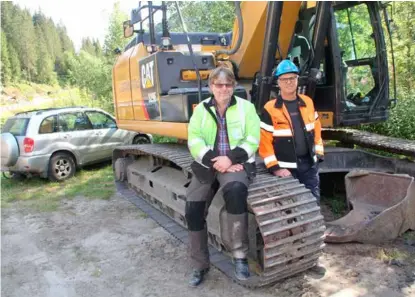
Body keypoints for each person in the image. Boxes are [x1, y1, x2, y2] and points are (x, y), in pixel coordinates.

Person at [186, 66, 260, 287]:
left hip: (236, 164)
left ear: (233, 86)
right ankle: (200, 265)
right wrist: (215, 161)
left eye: (228, 84)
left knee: (236, 192)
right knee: (193, 208)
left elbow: (253, 138)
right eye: (219, 84)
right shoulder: (200, 110)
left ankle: (239, 257)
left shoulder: (246, 108)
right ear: (211, 87)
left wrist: (230, 159)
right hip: (208, 165)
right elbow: (194, 140)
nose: (224, 89)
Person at [259, 60, 324, 202]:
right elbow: (265, 142)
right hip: (286, 169)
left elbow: (316, 130)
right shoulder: (270, 108)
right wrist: (275, 168)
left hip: (309, 166)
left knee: (312, 202)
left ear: (297, 80)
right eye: (284, 79)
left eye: (292, 78)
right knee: (289, 206)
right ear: (278, 82)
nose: (289, 82)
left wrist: (318, 154)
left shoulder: (307, 102)